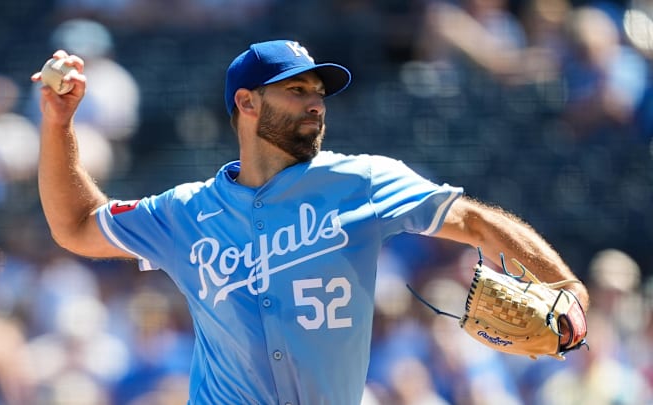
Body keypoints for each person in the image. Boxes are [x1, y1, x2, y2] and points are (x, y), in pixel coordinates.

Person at [31, 39, 590, 405]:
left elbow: (474, 221)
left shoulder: (364, 180)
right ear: (247, 104)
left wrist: (564, 285)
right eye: (296, 90)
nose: (315, 103)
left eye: (319, 93)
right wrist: (59, 125)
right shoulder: (187, 212)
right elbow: (76, 225)